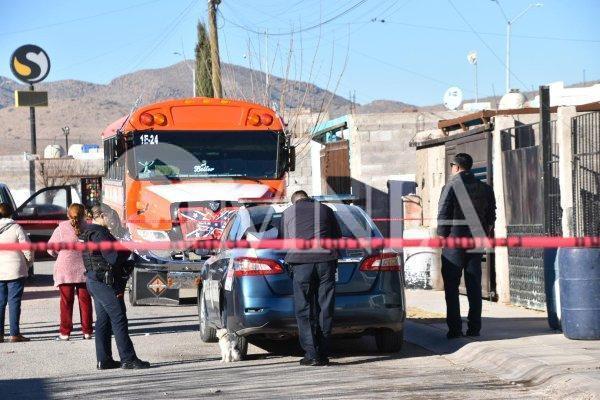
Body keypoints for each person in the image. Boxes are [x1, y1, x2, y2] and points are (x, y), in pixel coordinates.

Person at [80, 205, 149, 370]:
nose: (112, 222)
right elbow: (112, 258)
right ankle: (128, 358)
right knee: (118, 317)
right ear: (102, 216)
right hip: (104, 282)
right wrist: (128, 250)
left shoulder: (88, 231)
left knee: (103, 320)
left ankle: (104, 360)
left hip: (94, 280)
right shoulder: (100, 233)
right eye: (111, 217)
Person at [437, 153, 496, 339]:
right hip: (475, 241)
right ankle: (474, 328)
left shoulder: (451, 185)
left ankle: (455, 329)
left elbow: (444, 212)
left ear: (455, 167)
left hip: (454, 241)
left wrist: (442, 237)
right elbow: (491, 215)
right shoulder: (484, 188)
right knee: (474, 286)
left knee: (452, 288)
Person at [280, 190, 342, 366]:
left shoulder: (288, 213)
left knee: (304, 309)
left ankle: (312, 354)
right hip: (326, 262)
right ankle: (323, 353)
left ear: (294, 202)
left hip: (301, 264)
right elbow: (337, 237)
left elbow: (283, 242)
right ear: (308, 198)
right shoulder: (326, 209)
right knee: (325, 307)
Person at [48, 203, 93, 341]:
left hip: (65, 269)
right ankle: (87, 331)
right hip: (84, 269)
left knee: (66, 302)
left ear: (68, 214)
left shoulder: (61, 228)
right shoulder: (89, 227)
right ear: (83, 214)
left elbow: (51, 249)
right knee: (85, 302)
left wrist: (61, 254)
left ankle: (65, 332)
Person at [0, 203, 32, 343]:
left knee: (0, 302)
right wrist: (28, 263)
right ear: (11, 213)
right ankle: (14, 334)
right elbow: (27, 249)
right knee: (14, 302)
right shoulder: (16, 227)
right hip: (15, 269)